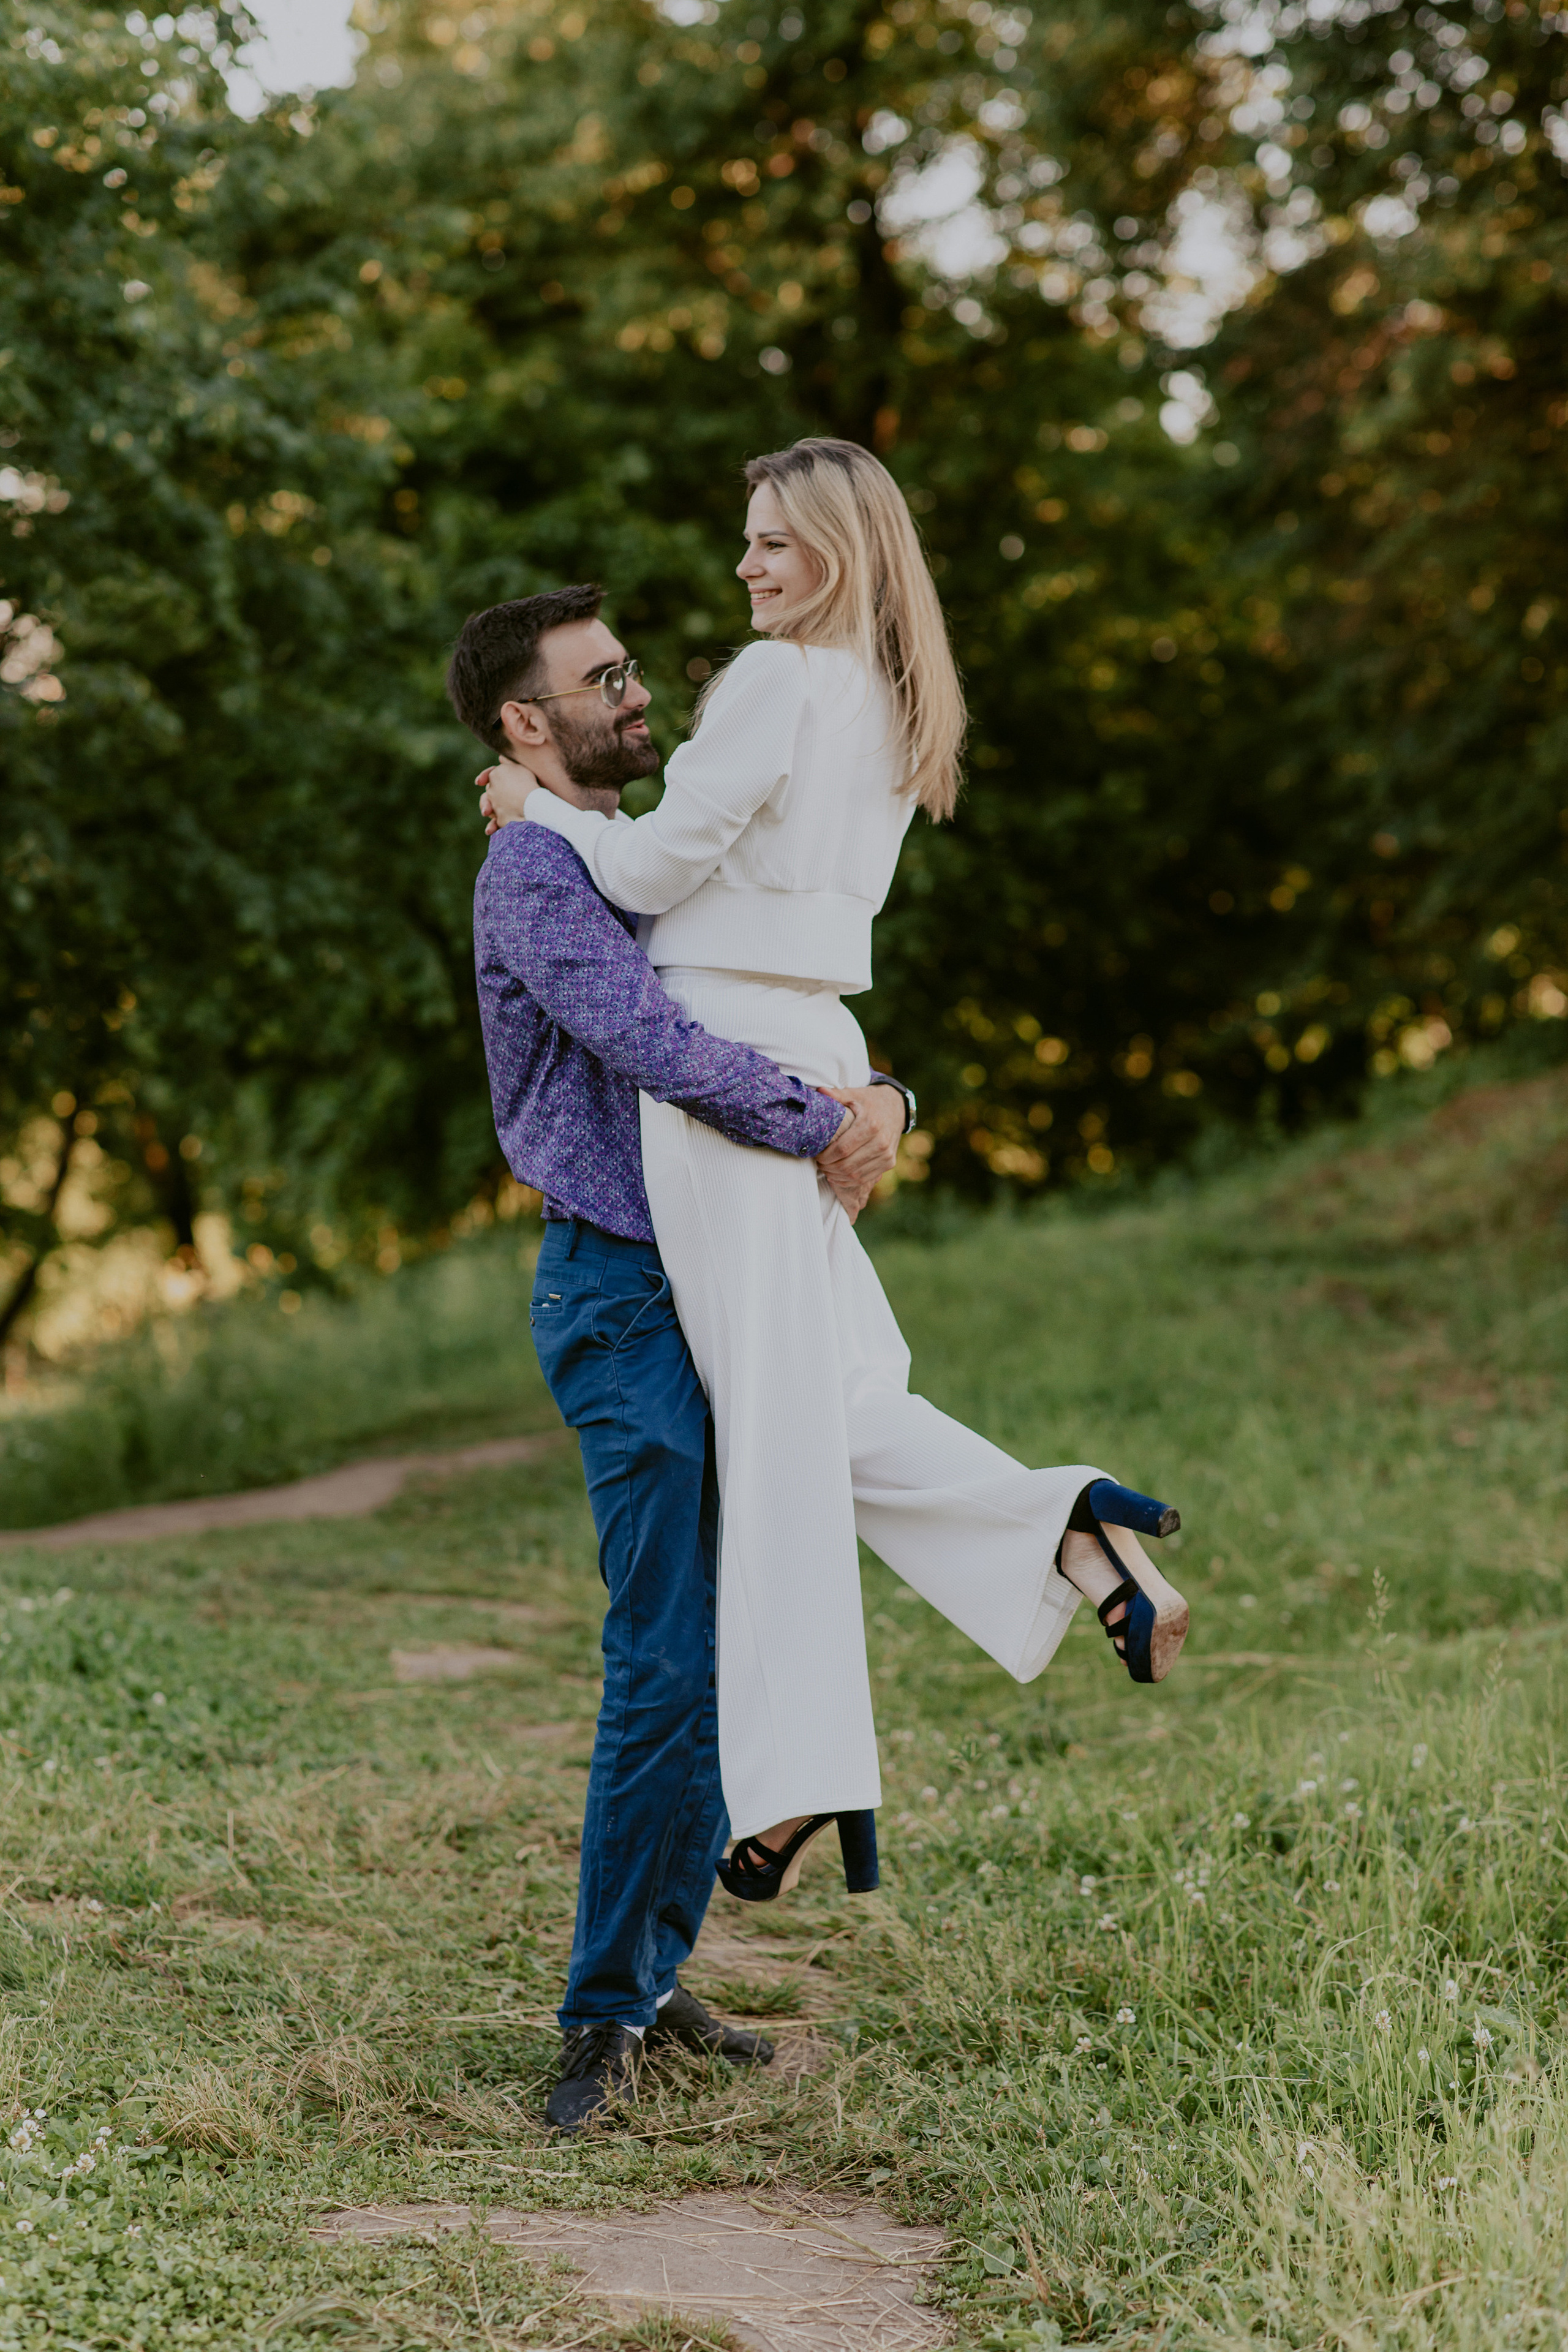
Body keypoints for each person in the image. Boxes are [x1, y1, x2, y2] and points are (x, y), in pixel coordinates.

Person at [479, 441, 1192, 1901]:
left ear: (842, 553)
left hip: (729, 1051)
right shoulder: (888, 704)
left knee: (779, 1420)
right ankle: (1065, 1530)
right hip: (816, 1035)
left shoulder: (773, 686)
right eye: (746, 542)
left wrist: (529, 810)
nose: (747, 568)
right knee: (843, 1389)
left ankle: (797, 1780)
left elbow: (649, 871)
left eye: (774, 545)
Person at [450, 583, 908, 2132]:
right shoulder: (533, 876)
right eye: (600, 681)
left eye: (633, 669)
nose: (636, 695)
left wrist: (880, 1092)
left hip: (733, 1268)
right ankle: (598, 2019)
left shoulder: (644, 851)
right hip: (626, 1292)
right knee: (665, 1650)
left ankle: (651, 1967)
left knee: (739, 1615)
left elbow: (765, 996)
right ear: (525, 724)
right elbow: (656, 1039)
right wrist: (822, 1124)